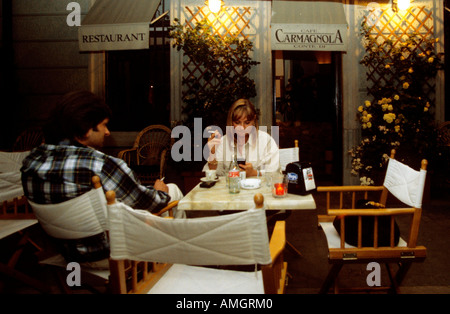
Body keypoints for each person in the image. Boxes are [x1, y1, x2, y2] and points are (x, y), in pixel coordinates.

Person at [21, 90, 184, 265]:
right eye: (104, 125)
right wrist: (160, 192)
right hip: (113, 257)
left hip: (67, 255)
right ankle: (180, 261)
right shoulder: (100, 165)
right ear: (84, 130)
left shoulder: (31, 162)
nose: (107, 132)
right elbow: (149, 202)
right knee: (172, 191)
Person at [204, 99, 280, 176]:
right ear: (231, 121)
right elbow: (212, 175)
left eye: (247, 123)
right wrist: (212, 153)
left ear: (254, 119)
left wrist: (254, 173)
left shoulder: (265, 140)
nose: (242, 128)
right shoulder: (223, 142)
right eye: (237, 123)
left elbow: (275, 173)